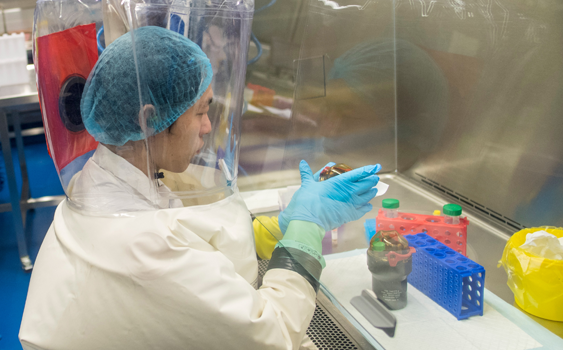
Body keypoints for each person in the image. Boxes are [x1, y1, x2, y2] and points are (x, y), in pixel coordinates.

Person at [19, 26, 380, 350]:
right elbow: (273, 333)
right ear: (148, 120)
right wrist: (306, 230)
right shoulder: (147, 245)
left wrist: (260, 233)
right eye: (200, 112)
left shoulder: (100, 181)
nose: (208, 127)